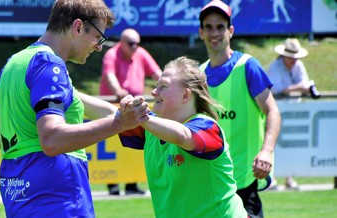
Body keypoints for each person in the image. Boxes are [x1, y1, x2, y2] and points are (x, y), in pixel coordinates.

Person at [0, 1, 149, 217]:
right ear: (78, 27)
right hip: (57, 201)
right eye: (98, 37)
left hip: (20, 199)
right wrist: (118, 123)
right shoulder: (49, 65)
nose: (99, 46)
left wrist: (137, 117)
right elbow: (52, 139)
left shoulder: (14, 65)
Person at [118, 56, 248, 218]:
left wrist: (140, 117)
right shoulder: (153, 127)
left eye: (163, 86)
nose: (153, 92)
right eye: (156, 86)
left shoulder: (207, 127)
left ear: (185, 96)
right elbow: (111, 115)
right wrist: (76, 96)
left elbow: (183, 136)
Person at [198, 1, 281, 217]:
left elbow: (272, 111)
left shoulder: (247, 66)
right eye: (208, 26)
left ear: (230, 31)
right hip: (211, 183)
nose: (214, 32)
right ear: (200, 32)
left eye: (220, 26)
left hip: (245, 181)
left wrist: (267, 151)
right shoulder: (198, 75)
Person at [99, 28, 162, 195]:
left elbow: (157, 73)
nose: (135, 47)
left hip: (134, 107)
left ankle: (131, 184)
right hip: (114, 107)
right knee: (113, 146)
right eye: (131, 44)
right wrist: (118, 90)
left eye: (137, 43)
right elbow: (109, 75)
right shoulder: (112, 54)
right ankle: (111, 183)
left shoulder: (141, 53)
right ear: (121, 42)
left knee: (134, 144)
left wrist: (166, 88)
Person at [267, 38, 318, 190]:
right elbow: (277, 89)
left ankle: (289, 177)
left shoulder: (298, 65)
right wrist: (298, 87)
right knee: (275, 144)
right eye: (291, 57)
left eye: (295, 58)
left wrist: (296, 88)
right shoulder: (275, 67)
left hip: (295, 110)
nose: (293, 61)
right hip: (277, 111)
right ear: (284, 56)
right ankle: (273, 177)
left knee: (291, 144)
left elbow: (305, 83)